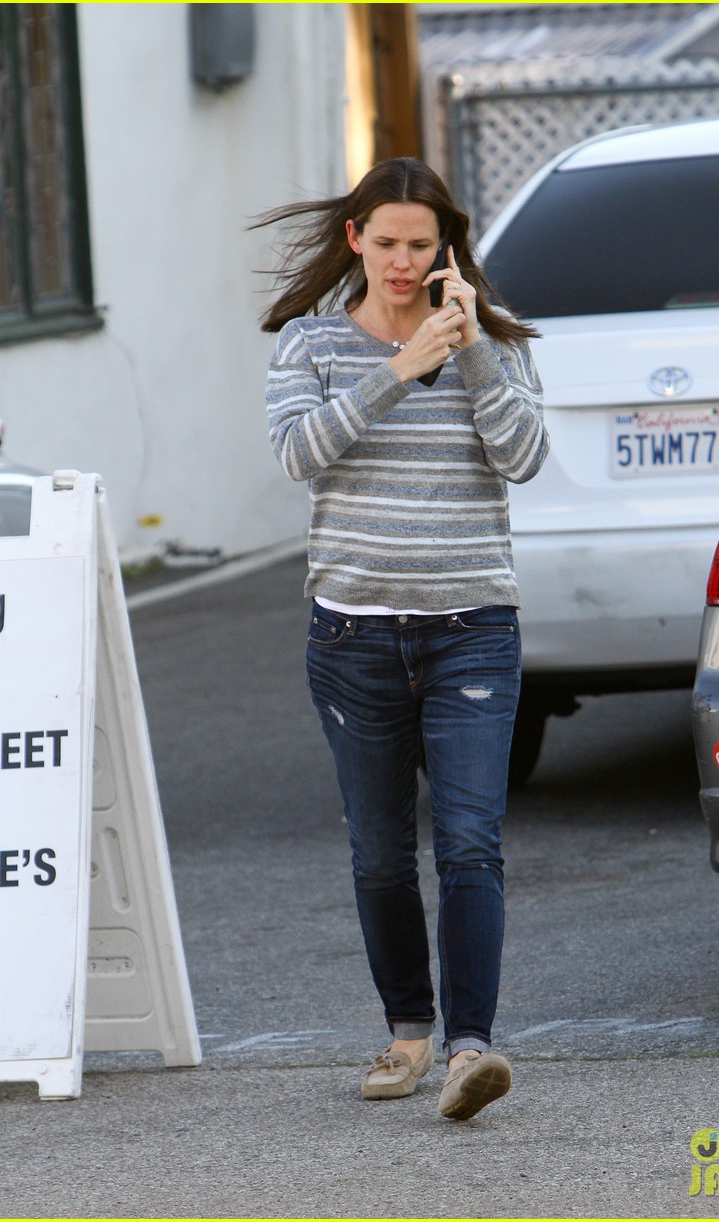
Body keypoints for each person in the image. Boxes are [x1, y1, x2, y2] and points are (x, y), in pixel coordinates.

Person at [256, 157, 547, 1120]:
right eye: (384, 242)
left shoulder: (492, 346)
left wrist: (464, 350)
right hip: (353, 637)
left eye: (420, 245)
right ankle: (408, 1034)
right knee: (380, 852)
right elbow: (299, 454)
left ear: (446, 251)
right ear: (355, 241)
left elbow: (524, 458)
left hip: (471, 628)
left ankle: (470, 1050)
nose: (401, 259)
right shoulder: (309, 347)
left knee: (469, 843)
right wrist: (399, 367)